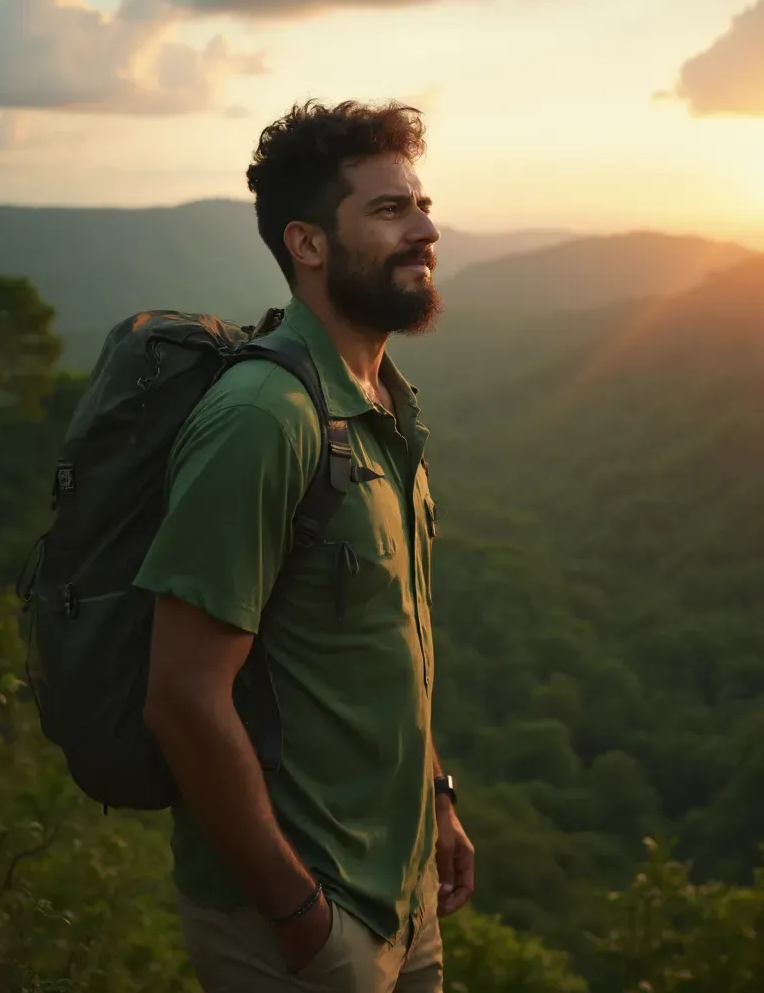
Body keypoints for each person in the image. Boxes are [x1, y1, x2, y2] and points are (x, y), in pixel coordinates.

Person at [135, 100, 474, 992]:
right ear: (308, 243)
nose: (427, 228)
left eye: (423, 205)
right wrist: (298, 919)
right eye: (389, 210)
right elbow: (181, 697)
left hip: (402, 896)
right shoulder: (263, 420)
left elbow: (383, 643)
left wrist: (436, 798)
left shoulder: (384, 410)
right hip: (306, 916)